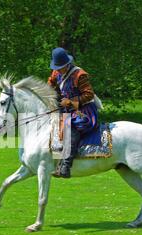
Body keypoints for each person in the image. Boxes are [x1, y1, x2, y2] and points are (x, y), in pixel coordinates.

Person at [47, 47, 99, 178]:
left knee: (71, 127)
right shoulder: (56, 73)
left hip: (83, 109)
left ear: (67, 64)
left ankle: (66, 165)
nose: (58, 70)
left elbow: (89, 95)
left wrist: (70, 102)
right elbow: (51, 84)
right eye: (56, 67)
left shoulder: (79, 75)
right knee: (55, 125)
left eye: (60, 67)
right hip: (65, 108)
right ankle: (56, 159)